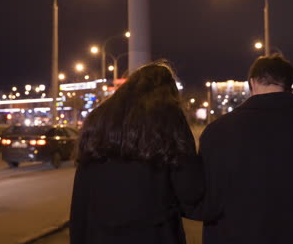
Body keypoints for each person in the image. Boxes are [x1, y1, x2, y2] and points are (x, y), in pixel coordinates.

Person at [198, 54, 293, 244]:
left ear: (252, 82)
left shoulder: (216, 131)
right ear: (288, 85)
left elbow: (206, 192)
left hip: (233, 233)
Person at [70, 61, 204, 244]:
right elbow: (190, 190)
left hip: (99, 235)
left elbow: (81, 198)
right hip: (153, 235)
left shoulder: (98, 119)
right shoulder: (169, 119)